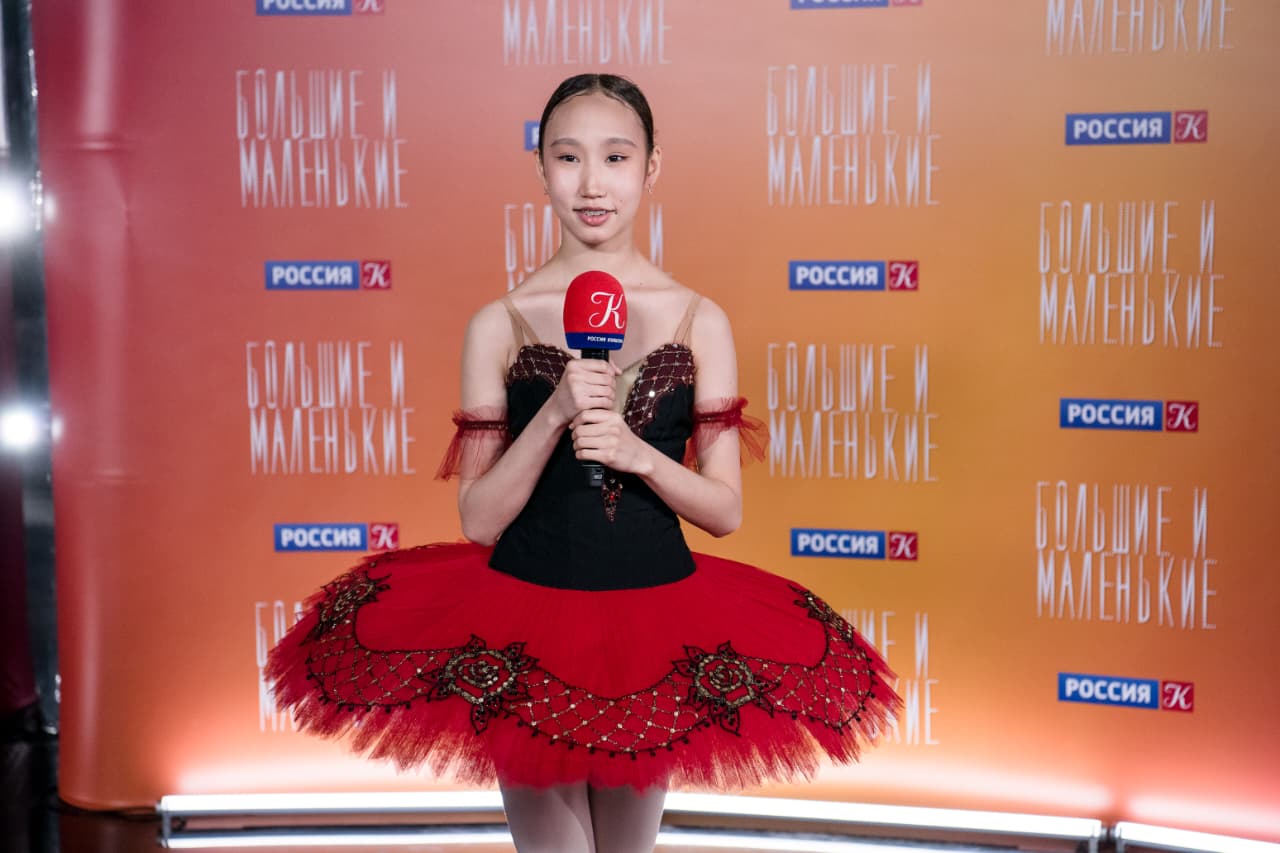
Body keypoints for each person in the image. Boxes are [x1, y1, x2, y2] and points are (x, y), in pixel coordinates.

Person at [267, 73, 899, 853]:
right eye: (568, 158)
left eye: (616, 157)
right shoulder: (498, 322)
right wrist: (555, 413)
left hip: (657, 621)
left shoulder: (699, 319)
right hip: (525, 616)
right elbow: (479, 518)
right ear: (540, 169)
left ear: (651, 167)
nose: (592, 184)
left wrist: (637, 455)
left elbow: (725, 511)